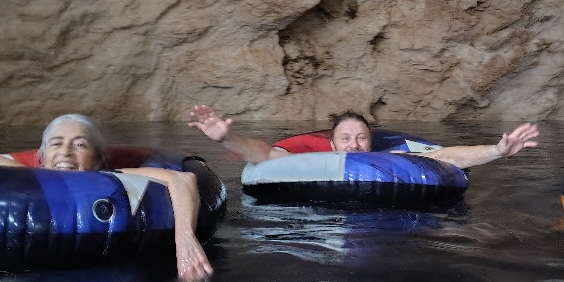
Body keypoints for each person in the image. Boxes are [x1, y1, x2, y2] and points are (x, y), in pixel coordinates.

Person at [0, 114, 212, 282]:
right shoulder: (26, 173)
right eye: (57, 143)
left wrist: (184, 237)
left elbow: (182, 179)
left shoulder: (112, 177)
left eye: (80, 144)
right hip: (33, 272)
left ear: (97, 159)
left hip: (103, 271)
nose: (66, 152)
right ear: (41, 157)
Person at [188, 105, 539, 168]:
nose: (354, 145)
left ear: (371, 143)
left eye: (361, 138)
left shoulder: (392, 159)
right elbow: (264, 154)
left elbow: (446, 156)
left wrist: (497, 149)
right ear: (332, 143)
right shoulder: (314, 160)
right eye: (346, 138)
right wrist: (224, 137)